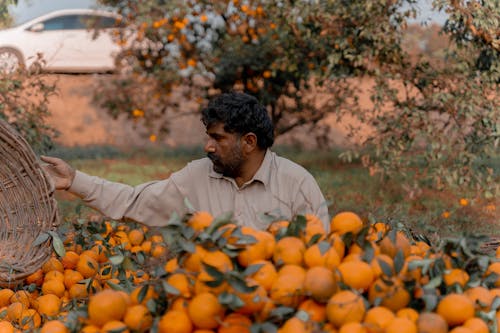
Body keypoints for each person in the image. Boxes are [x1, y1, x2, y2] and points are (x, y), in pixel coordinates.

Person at [41, 92, 330, 231]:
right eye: (208, 136)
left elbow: (320, 259)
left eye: (218, 138)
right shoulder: (196, 177)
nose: (208, 146)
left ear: (249, 142)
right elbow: (132, 201)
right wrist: (74, 180)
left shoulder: (296, 184)